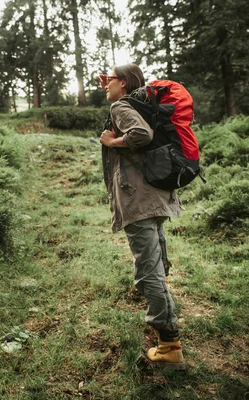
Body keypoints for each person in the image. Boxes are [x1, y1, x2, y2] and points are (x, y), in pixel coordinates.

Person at [98, 63, 184, 369]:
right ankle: (161, 326)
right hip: (155, 196)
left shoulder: (122, 105)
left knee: (148, 272)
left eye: (110, 80)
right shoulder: (134, 102)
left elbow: (140, 134)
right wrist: (112, 90)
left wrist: (111, 142)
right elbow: (135, 121)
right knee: (156, 264)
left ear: (124, 83)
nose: (105, 84)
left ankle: (169, 344)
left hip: (139, 201)